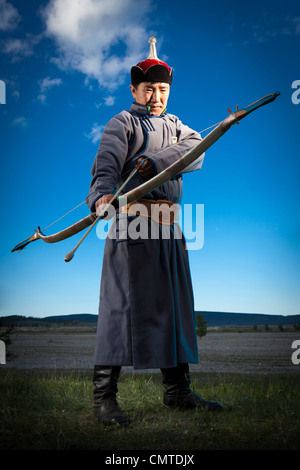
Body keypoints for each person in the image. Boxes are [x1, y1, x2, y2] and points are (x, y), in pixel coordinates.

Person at [86, 37, 223, 426]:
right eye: (149, 88)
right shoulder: (122, 122)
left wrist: (155, 161)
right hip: (131, 224)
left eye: (163, 89)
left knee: (174, 308)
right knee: (120, 307)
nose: (156, 95)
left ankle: (177, 393)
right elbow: (106, 166)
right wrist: (101, 197)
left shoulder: (178, 126)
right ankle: (104, 400)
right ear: (134, 89)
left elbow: (197, 145)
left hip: (170, 229)